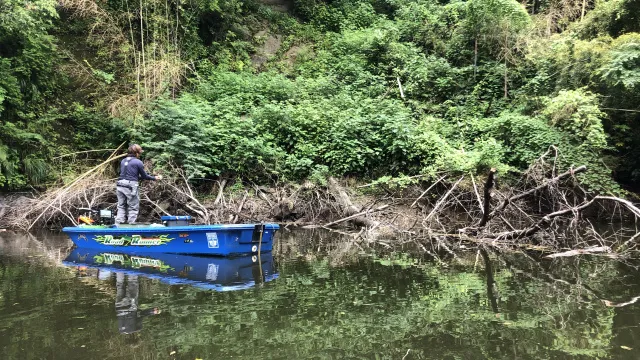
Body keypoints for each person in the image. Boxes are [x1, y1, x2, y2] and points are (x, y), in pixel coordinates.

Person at [116, 144, 162, 224]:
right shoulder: (138, 162)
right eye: (139, 152)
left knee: (121, 205)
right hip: (130, 186)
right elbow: (144, 176)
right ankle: (131, 224)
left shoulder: (123, 161)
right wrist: (155, 178)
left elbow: (130, 175)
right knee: (133, 206)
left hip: (120, 184)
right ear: (137, 153)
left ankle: (119, 223)